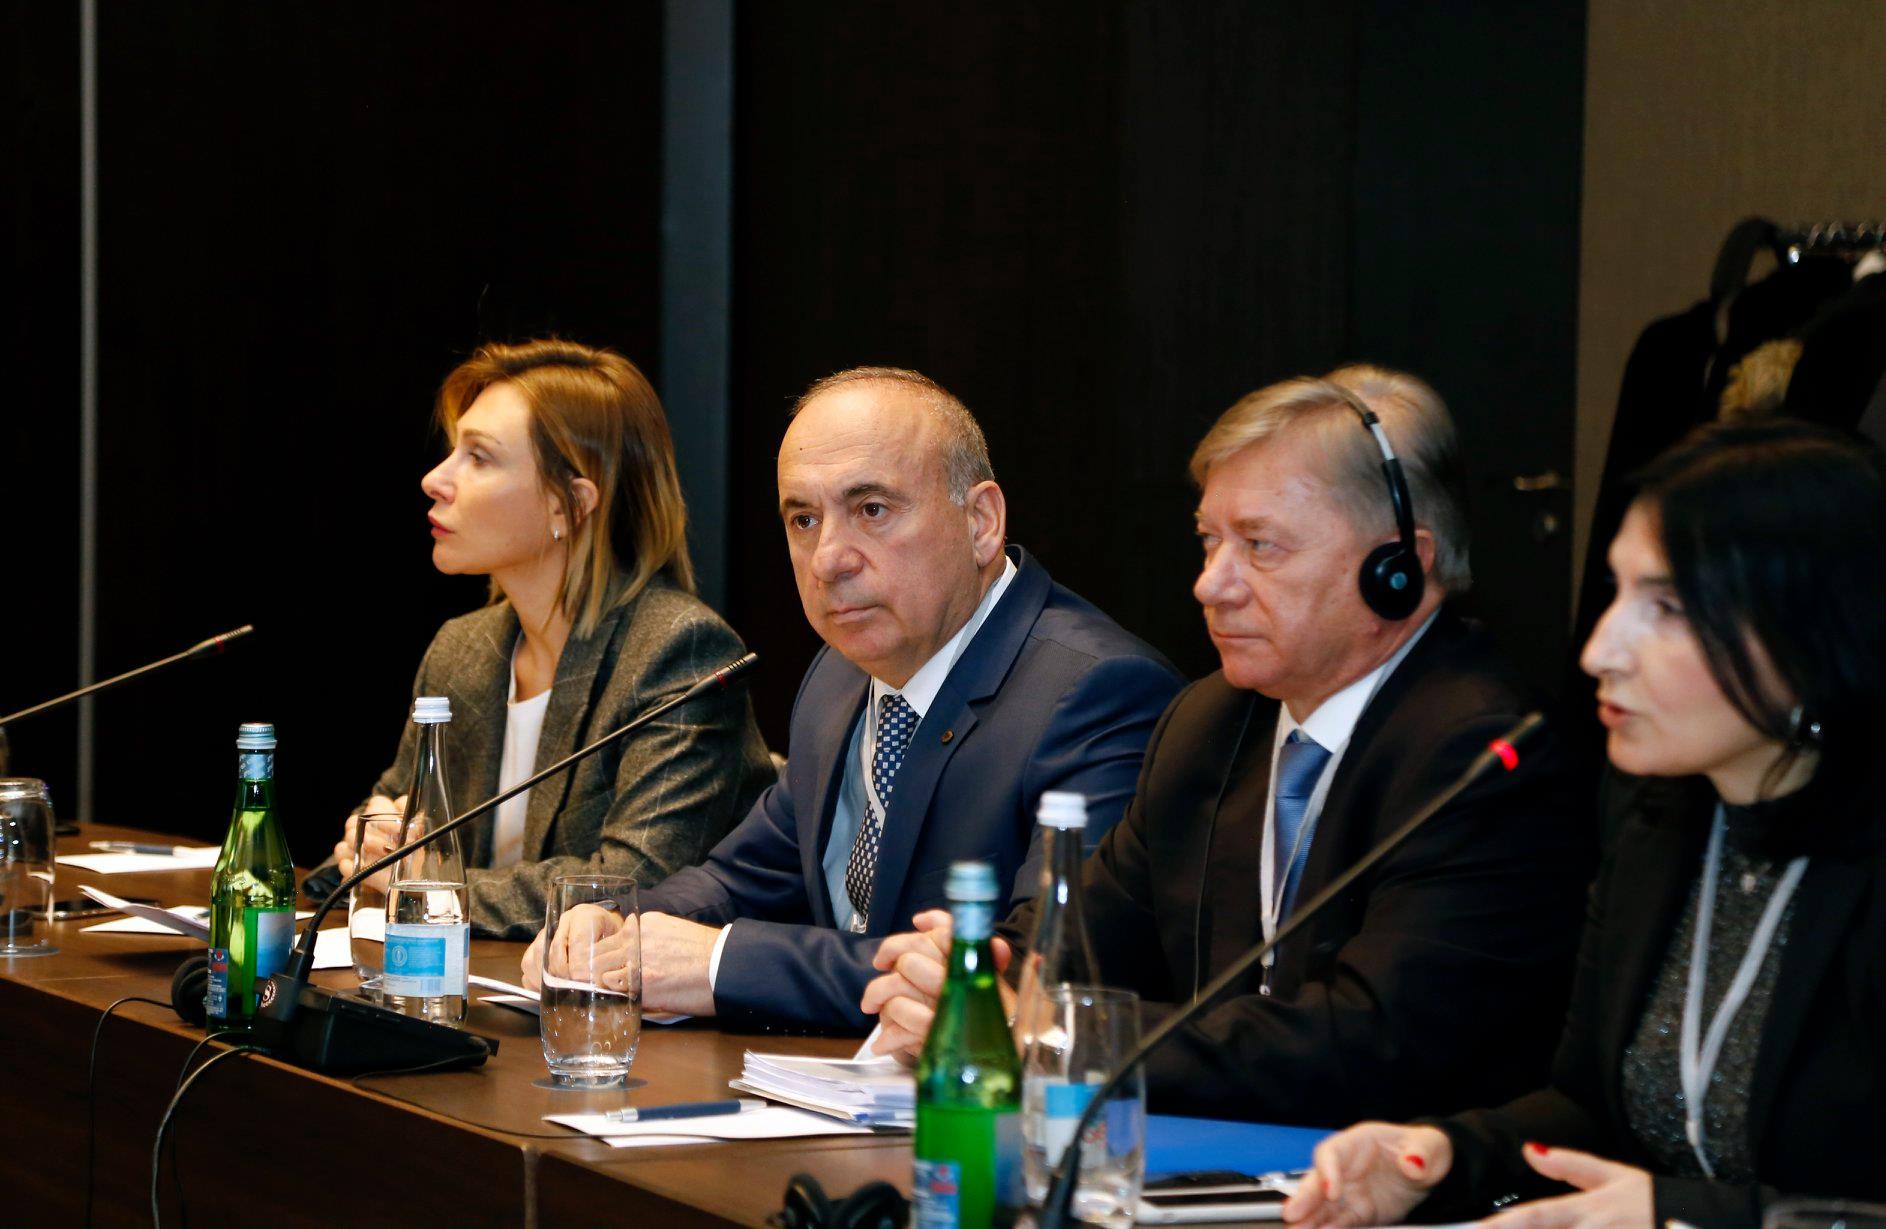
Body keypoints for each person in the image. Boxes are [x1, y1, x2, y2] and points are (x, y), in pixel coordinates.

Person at [862, 365, 1590, 1125]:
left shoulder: (1482, 757)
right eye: (1211, 540)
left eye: (1260, 546)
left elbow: (1371, 1042)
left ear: (1398, 569)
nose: (1211, 584)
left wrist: (1048, 1033)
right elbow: (1090, 936)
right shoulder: (1210, 723)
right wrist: (976, 977)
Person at [1282, 420, 1886, 1229]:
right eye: (1617, 591)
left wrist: (1680, 1213)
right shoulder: (1658, 817)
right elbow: (1589, 1109)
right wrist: (1440, 1156)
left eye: (1667, 607)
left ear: (1816, 633)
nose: (1601, 649)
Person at [521, 366, 1182, 1027]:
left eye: (872, 510)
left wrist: (723, 962)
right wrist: (616, 921)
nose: (828, 558)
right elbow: (742, 879)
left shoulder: (1099, 691)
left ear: (981, 521)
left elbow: (1030, 975)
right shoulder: (837, 677)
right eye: (804, 519)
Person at [330, 339, 775, 938]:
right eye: (453, 451)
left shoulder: (679, 652)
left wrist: (425, 886)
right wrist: (373, 836)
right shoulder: (462, 649)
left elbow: (631, 885)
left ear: (570, 505)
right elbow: (392, 807)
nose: (435, 479)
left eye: (479, 457)